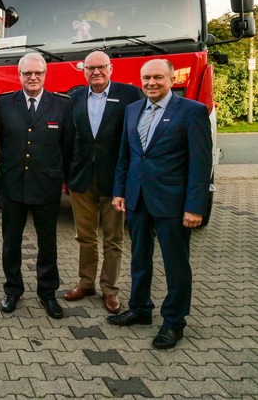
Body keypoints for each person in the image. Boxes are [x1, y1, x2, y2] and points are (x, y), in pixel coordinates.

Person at [109, 58, 212, 350]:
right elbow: (125, 156)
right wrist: (120, 191)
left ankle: (174, 322)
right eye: (146, 78)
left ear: (171, 79)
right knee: (139, 258)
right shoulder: (132, 110)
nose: (151, 83)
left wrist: (195, 207)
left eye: (157, 77)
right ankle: (140, 309)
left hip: (173, 203)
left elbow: (200, 165)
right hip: (137, 199)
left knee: (175, 263)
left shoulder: (192, 112)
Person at [0, 52, 74, 320]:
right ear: (19, 75)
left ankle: (48, 293)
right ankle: (13, 290)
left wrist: (66, 180)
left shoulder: (62, 105)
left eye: (38, 73)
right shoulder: (4, 104)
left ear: (45, 74)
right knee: (11, 242)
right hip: (13, 184)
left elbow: (68, 146)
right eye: (27, 73)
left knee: (48, 242)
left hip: (46, 185)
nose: (33, 77)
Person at [64, 51, 143, 313]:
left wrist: (131, 178)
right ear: (83, 71)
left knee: (113, 239)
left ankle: (110, 290)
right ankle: (86, 283)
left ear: (111, 69)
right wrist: (66, 175)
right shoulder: (73, 97)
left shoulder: (130, 96)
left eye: (101, 67)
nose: (96, 72)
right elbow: (67, 139)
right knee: (85, 236)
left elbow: (136, 139)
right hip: (81, 179)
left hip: (114, 180)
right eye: (90, 68)